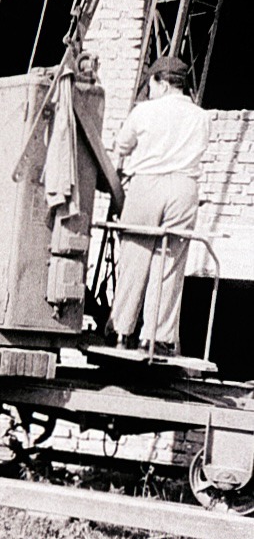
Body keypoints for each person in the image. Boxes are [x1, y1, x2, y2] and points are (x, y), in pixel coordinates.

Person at [108, 56, 211, 357]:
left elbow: (121, 147)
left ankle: (121, 330)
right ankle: (158, 338)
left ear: (163, 83)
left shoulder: (144, 112)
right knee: (170, 262)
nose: (149, 90)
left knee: (134, 258)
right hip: (183, 187)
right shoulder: (200, 117)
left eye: (151, 84)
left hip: (147, 184)